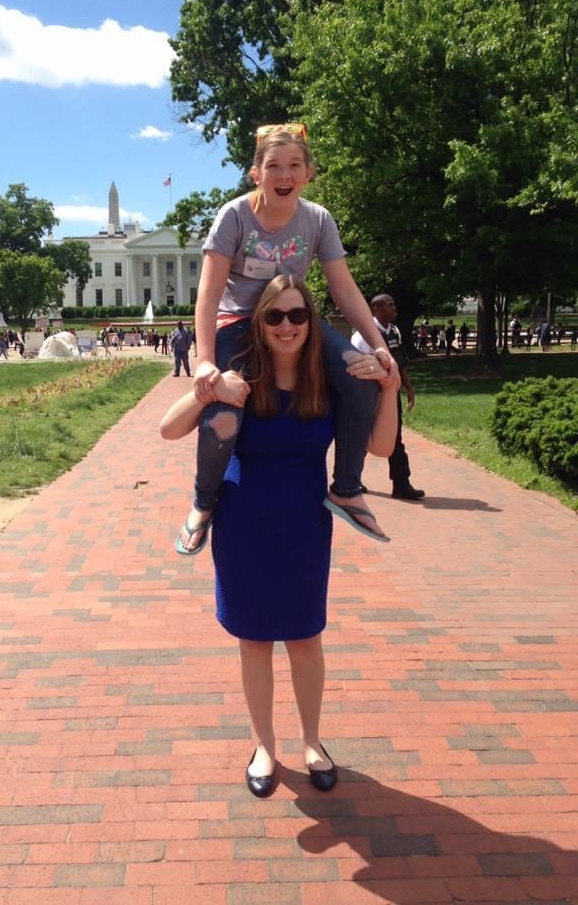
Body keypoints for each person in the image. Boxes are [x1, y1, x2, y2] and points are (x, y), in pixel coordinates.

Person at [160, 276, 398, 797]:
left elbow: (381, 447)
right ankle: (264, 745)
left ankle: (312, 741)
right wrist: (208, 386)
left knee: (306, 639)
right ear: (259, 322)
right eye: (275, 317)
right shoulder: (240, 378)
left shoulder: (328, 382)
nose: (286, 326)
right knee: (254, 644)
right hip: (244, 524)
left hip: (303, 527)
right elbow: (169, 429)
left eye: (297, 315)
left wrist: (390, 386)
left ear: (311, 323)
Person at [176, 122, 398, 554]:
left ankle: (347, 487)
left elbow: (344, 288)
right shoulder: (234, 216)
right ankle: (204, 501)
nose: (284, 175)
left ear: (309, 173)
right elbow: (208, 294)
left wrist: (377, 345)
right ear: (255, 173)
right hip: (238, 323)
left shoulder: (317, 219)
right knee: (226, 402)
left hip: (292, 316)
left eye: (294, 165)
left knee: (357, 374)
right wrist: (205, 362)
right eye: (273, 165)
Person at [352, 294, 425, 501]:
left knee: (395, 438)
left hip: (390, 394)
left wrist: (408, 389)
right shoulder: (363, 336)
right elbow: (354, 368)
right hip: (367, 395)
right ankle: (350, 478)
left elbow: (399, 363)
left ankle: (401, 484)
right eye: (389, 305)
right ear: (376, 309)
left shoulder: (394, 331)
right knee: (361, 438)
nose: (395, 308)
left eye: (394, 304)